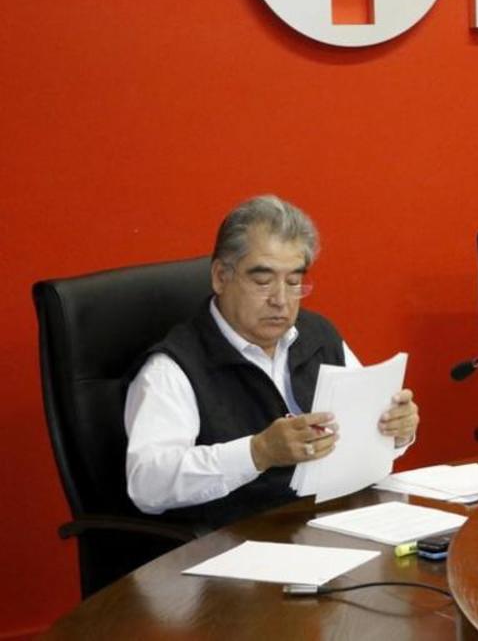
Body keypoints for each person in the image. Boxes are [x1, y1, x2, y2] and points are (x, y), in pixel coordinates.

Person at [124, 195, 419, 527]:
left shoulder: (319, 335)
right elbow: (148, 485)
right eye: (263, 281)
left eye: (293, 283)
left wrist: (395, 431)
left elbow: (362, 434)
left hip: (334, 523)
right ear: (220, 276)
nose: (280, 300)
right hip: (238, 541)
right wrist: (258, 452)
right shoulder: (173, 368)